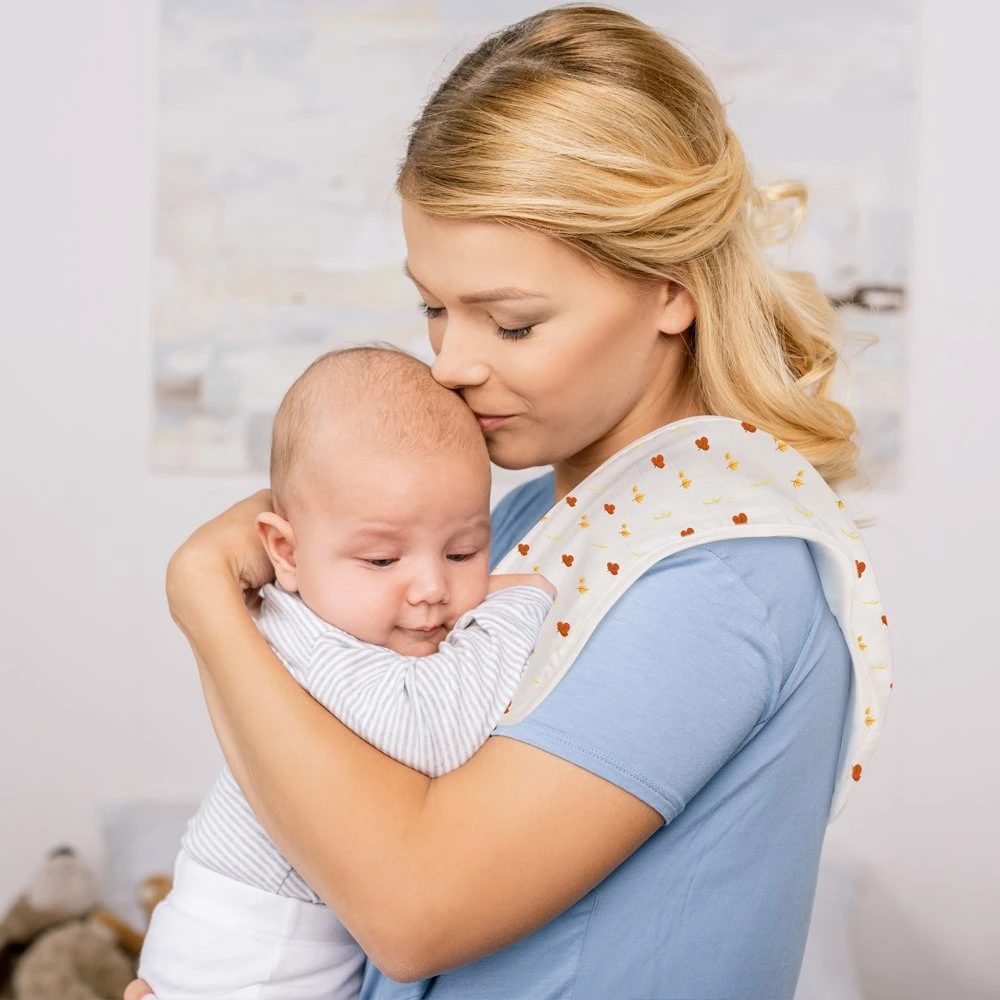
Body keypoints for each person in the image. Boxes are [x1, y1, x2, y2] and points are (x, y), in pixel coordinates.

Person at [128, 5, 885, 997]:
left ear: (669, 288)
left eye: (513, 323)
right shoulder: (517, 525)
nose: (452, 363)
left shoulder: (720, 574)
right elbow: (348, 828)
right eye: (434, 306)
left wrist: (205, 601)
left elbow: (411, 910)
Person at [137, 347, 556, 1000]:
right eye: (383, 560)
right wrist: (517, 604)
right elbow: (435, 733)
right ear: (287, 553)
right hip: (247, 965)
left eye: (463, 551)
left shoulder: (330, 618)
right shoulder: (307, 641)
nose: (430, 588)